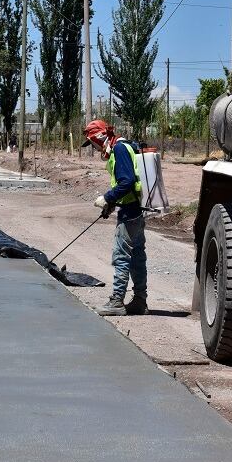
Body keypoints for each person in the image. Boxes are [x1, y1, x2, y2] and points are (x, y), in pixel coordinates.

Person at [83, 119, 148, 316]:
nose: (94, 149)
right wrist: (111, 204)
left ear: (98, 137)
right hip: (135, 209)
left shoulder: (119, 149)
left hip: (129, 214)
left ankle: (117, 301)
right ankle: (139, 300)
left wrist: (107, 197)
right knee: (137, 257)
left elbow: (126, 182)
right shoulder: (124, 146)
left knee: (121, 257)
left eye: (93, 144)